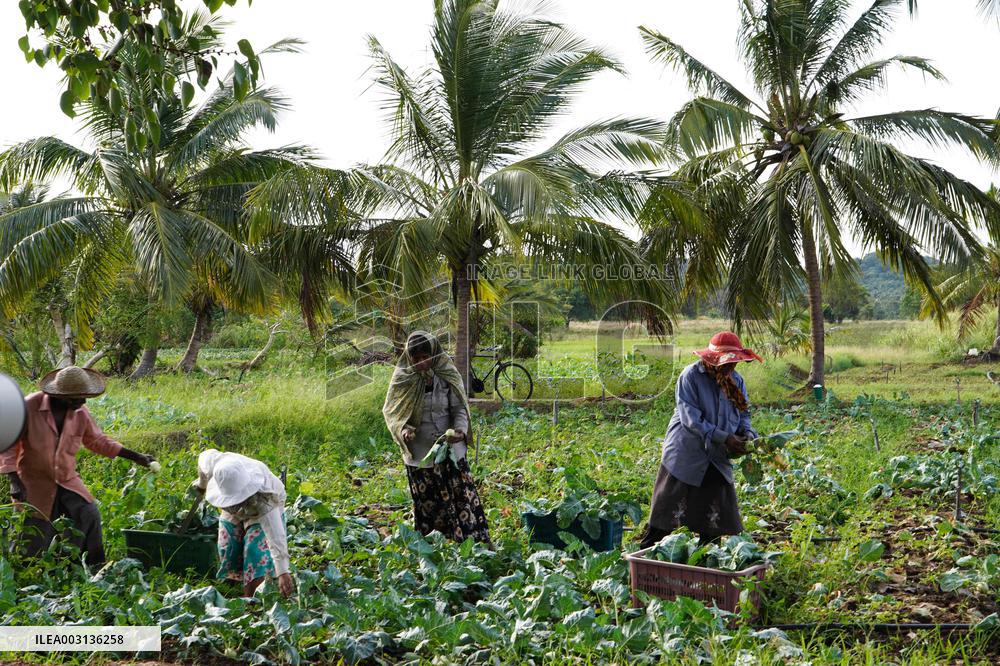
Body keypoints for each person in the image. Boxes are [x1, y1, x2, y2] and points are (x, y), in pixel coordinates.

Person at [0, 366, 155, 565]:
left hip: (67, 479)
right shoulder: (29, 407)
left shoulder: (80, 412)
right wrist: (14, 481)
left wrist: (136, 456)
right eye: (77, 398)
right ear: (60, 395)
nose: (83, 402)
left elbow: (98, 440)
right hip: (34, 482)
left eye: (84, 397)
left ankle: (89, 565)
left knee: (88, 513)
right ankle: (25, 571)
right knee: (35, 531)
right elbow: (8, 444)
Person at [639, 332, 763, 549]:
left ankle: (705, 560)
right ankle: (647, 558)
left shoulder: (736, 381)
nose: (731, 366)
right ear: (712, 359)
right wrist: (725, 438)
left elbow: (744, 414)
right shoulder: (690, 376)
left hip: (717, 455)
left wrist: (748, 435)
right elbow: (691, 420)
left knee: (714, 520)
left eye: (734, 362)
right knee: (666, 515)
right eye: (727, 362)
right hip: (686, 454)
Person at [382, 331, 491, 544]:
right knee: (429, 504)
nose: (422, 362)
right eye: (416, 358)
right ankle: (434, 548)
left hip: (451, 451)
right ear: (409, 358)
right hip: (420, 455)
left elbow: (459, 408)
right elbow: (392, 412)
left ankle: (471, 545)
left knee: (462, 499)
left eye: (426, 357)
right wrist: (404, 430)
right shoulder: (403, 378)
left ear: (434, 354)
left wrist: (460, 430)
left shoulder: (446, 373)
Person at [190, 449, 295, 598]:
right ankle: (234, 582)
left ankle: (252, 600)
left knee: (255, 550)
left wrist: (283, 572)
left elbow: (275, 535)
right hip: (230, 499)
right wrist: (202, 485)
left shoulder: (265, 498)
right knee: (227, 544)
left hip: (259, 504)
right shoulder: (212, 462)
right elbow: (203, 465)